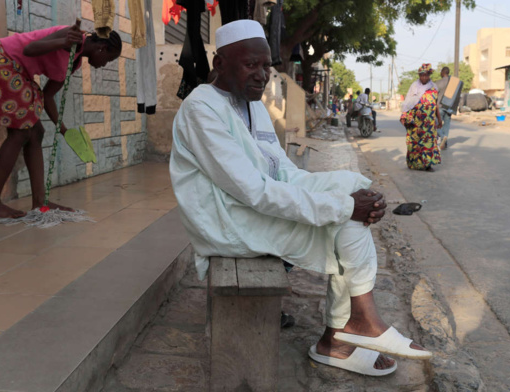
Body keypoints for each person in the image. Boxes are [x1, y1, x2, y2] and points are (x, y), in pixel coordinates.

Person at [170, 20, 432, 376]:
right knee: (344, 217)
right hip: (227, 221)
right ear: (220, 64)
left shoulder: (252, 105)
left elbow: (282, 174)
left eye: (267, 66)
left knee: (352, 186)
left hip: (249, 208)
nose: (263, 75)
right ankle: (346, 333)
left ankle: (349, 328)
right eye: (252, 65)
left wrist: (348, 197)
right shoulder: (200, 108)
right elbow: (254, 190)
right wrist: (342, 207)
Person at [0, 21, 122, 218]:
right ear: (101, 47)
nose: (103, 65)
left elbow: (47, 96)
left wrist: (64, 129)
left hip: (18, 71)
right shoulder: (70, 35)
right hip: (1, 60)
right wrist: (62, 41)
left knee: (36, 132)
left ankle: (40, 201)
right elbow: (30, 49)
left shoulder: (74, 61)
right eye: (108, 59)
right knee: (21, 131)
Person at [400, 63, 442, 171]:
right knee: (414, 143)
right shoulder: (414, 87)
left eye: (426, 75)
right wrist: (406, 117)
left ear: (429, 75)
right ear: (419, 75)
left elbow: (436, 105)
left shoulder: (434, 88)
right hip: (416, 122)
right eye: (421, 75)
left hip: (429, 123)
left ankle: (428, 165)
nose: (424, 77)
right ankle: (414, 164)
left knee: (428, 144)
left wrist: (439, 119)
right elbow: (408, 103)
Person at [434, 67, 455, 150]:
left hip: (440, 107)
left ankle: (442, 137)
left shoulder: (438, 83)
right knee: (446, 124)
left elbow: (434, 95)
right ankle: (444, 143)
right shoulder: (453, 83)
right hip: (449, 107)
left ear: (443, 72)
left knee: (435, 125)